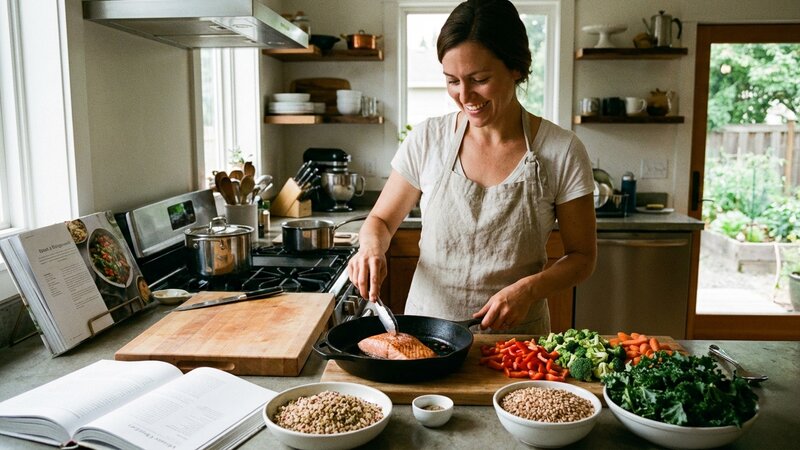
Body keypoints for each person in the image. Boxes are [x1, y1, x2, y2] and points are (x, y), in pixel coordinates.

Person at [348, 0, 597, 334]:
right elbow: (380, 220)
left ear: (516, 68)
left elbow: (582, 257)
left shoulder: (562, 150)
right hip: (427, 333)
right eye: (452, 81)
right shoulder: (427, 140)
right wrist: (371, 248)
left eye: (479, 79)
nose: (465, 95)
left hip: (516, 340)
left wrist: (529, 289)